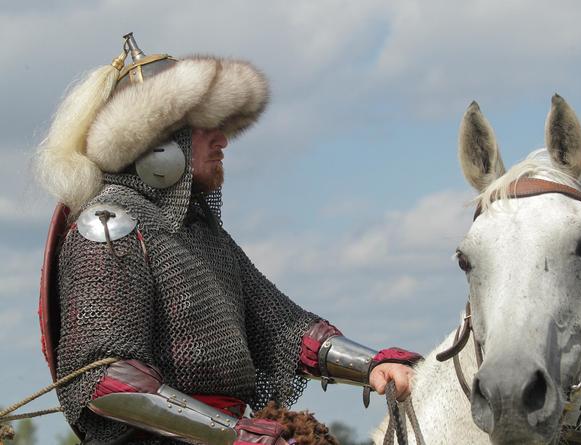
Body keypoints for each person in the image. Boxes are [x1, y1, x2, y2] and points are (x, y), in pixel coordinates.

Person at [35, 33, 421, 445]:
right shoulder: (110, 226)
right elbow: (108, 380)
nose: (222, 141)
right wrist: (232, 435)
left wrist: (372, 364)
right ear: (155, 141)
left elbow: (285, 330)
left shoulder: (200, 231)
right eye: (205, 130)